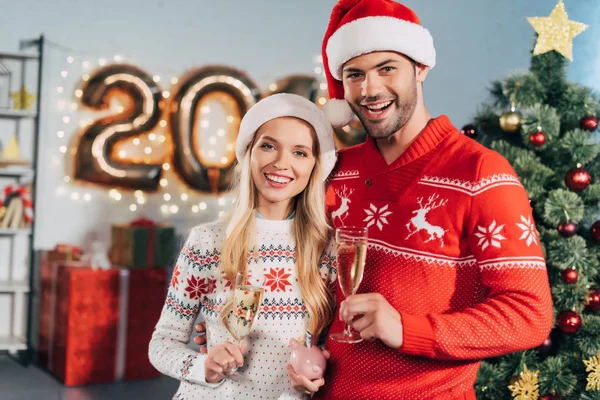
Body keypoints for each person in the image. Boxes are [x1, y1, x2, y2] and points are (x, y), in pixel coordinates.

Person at [194, 0, 554, 399]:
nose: (370, 89)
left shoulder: (481, 174)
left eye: (387, 68)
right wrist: (219, 315)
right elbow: (285, 264)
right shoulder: (331, 169)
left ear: (420, 68)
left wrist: (406, 329)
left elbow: (530, 315)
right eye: (355, 74)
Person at [149, 93, 339, 399]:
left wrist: (310, 384)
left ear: (316, 165)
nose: (281, 163)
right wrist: (203, 367)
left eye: (300, 153)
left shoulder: (326, 250)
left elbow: (328, 350)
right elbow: (162, 344)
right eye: (268, 146)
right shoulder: (207, 242)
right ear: (248, 152)